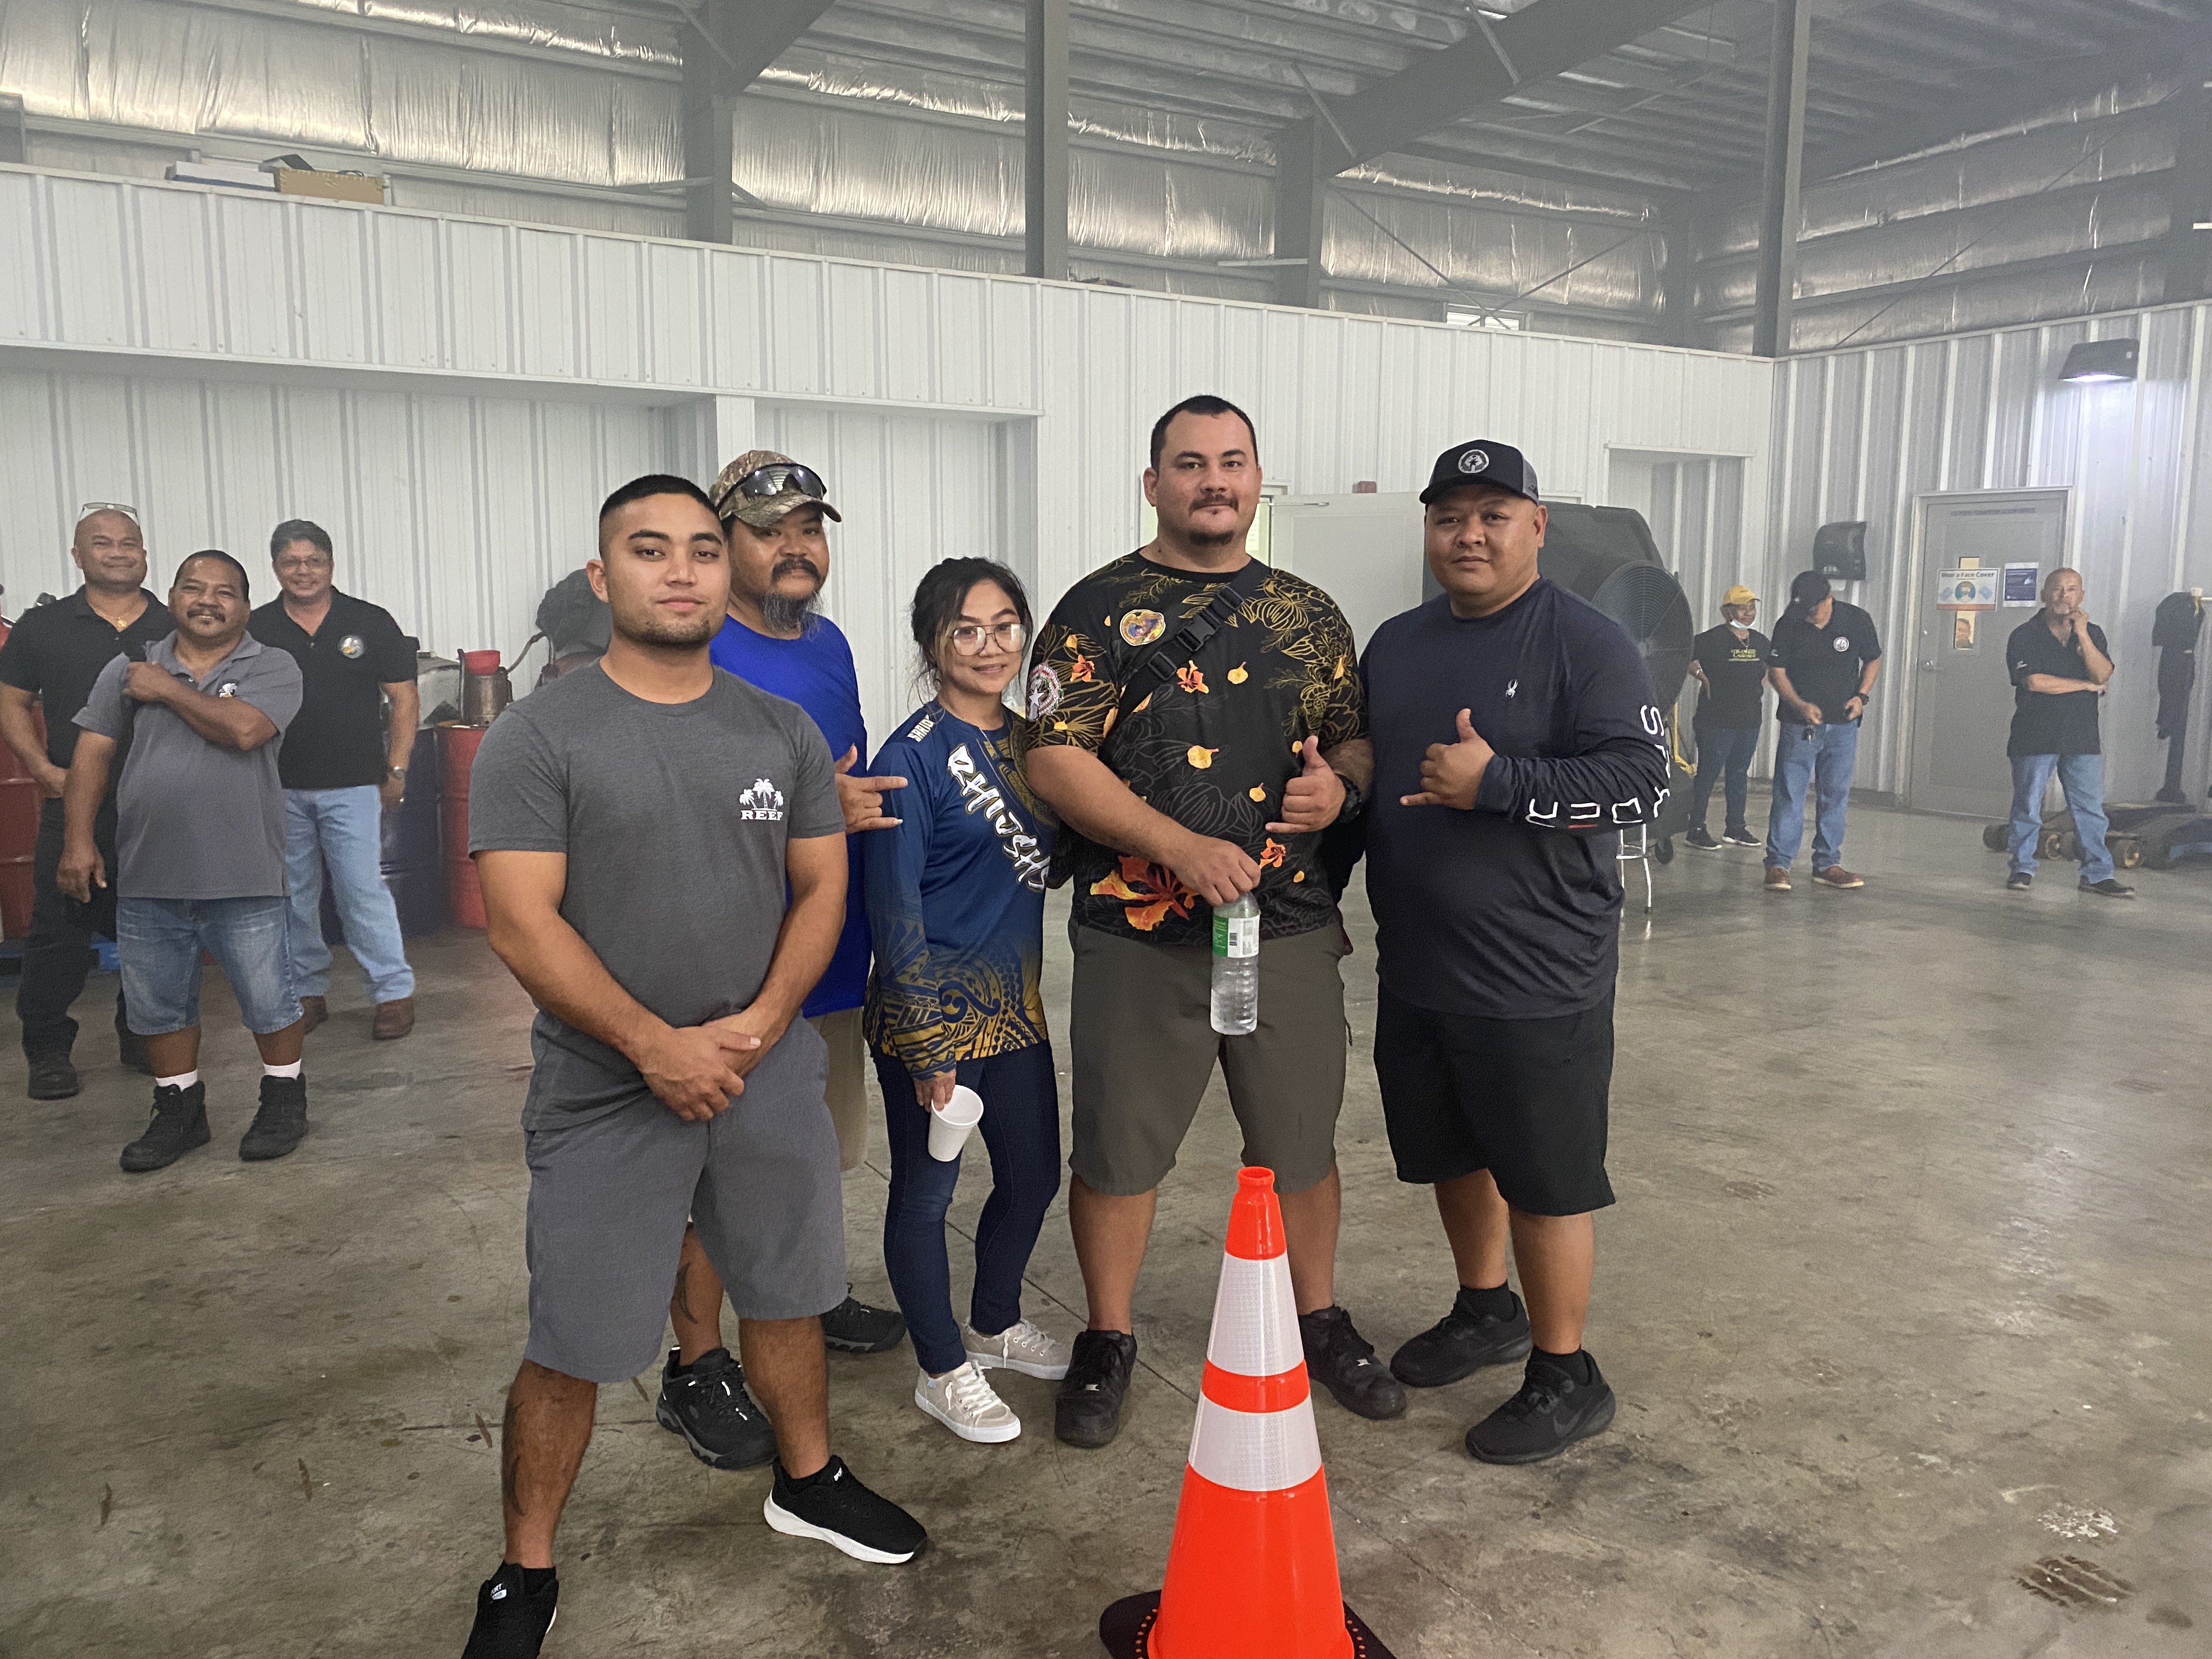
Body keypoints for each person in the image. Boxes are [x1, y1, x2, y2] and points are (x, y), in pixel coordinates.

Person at [461, 476, 924, 1659]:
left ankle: (807, 1478)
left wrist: (762, 1025)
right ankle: (525, 1566)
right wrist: (653, 1045)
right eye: (649, 548)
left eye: (703, 551)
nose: (680, 571)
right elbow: (521, 922)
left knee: (790, 1289)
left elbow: (820, 888)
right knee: (574, 1338)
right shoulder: (538, 736)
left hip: (762, 1067)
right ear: (601, 574)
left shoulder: (781, 731)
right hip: (605, 1085)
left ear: (729, 573)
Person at [1025, 393, 1400, 1449]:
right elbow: (1053, 757)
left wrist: (1341, 787)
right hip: (1138, 931)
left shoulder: (1309, 614)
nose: (1213, 480)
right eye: (1189, 463)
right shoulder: (1096, 609)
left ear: (1255, 479)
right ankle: (1107, 1332)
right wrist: (1176, 845)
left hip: (1285, 926)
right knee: (1117, 1148)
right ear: (1153, 483)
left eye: (1231, 461)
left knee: (1300, 1141)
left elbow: (1354, 738)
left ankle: (1316, 1315)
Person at [1363, 439, 1669, 1465]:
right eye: (1450, 516)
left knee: (1546, 1181)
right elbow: (1372, 775)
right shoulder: (1397, 644)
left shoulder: (1588, 641)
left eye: (1494, 515)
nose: (1470, 535)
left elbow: (1642, 780)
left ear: (1537, 526)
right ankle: (1485, 1307)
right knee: (1453, 1154)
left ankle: (1566, 1371)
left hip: (1540, 973)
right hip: (1419, 964)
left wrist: (1499, 783)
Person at [672, 448, 908, 1378]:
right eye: (770, 531)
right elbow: (671, 807)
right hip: (734, 968)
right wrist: (811, 809)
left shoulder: (828, 643)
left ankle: (807, 1293)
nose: (795, 547)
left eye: (809, 529)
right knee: (716, 1180)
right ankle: (696, 1363)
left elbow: (841, 775)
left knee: (812, 1153)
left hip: (831, 953)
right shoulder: (694, 650)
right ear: (724, 543)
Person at [864, 558, 1065, 1443]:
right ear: (931, 643)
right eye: (966, 629)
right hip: (932, 1016)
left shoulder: (1035, 744)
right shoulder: (909, 757)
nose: (991, 646)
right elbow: (892, 908)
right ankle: (943, 1367)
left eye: (1005, 625)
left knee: (1033, 1176)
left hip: (1015, 1009)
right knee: (924, 1197)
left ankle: (992, 1321)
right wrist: (925, 1041)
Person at [59, 551, 311, 1172]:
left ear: (245, 608)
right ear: (171, 598)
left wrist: (166, 688)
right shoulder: (127, 667)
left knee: (270, 999)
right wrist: (78, 840)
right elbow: (91, 755)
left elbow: (245, 730)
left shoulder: (271, 664)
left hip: (245, 871)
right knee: (159, 1007)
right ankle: (179, 1110)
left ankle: (284, 1100)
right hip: (148, 872)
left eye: (225, 592)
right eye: (194, 588)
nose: (208, 601)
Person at [0, 506, 172, 1099]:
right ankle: (48, 1050)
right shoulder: (41, 626)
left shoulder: (175, 624)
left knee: (153, 930)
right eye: (102, 543)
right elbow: (10, 700)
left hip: (157, 810)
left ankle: (140, 1034)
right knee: (58, 934)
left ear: (144, 553)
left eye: (129, 543)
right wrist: (42, 768)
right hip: (75, 808)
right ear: (78, 555)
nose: (118, 552)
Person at [250, 520, 422, 1040]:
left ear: (331, 564)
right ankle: (306, 991)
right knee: (293, 895)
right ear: (276, 567)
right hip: (279, 785)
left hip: (354, 785)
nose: (303, 571)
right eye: (291, 562)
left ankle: (392, 993)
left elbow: (404, 699)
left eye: (314, 561)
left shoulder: (368, 621)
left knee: (361, 891)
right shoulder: (257, 628)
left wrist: (397, 768)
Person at [2004, 568, 2132, 899]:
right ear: (2044, 595)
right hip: (2035, 736)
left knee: (2090, 811)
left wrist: (2083, 634)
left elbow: (2103, 673)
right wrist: (2086, 686)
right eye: (2057, 589)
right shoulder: (2024, 635)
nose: (2064, 596)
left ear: (2082, 596)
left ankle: (2097, 875)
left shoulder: (2093, 633)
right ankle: (2022, 868)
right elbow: (2035, 682)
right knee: (2028, 807)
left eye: (2072, 589)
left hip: (2081, 736)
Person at [1764, 571, 1881, 891]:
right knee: (1790, 793)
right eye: (1803, 611)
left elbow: (1873, 659)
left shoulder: (1856, 620)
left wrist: (1862, 696)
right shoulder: (1789, 624)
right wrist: (1799, 704)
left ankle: (1828, 863)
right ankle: (1778, 864)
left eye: (1814, 610)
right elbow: (1776, 672)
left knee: (1835, 794)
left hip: (1843, 725)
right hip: (1799, 725)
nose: (1809, 617)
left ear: (1829, 599)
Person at [1683, 584, 1770, 851]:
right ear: (1727, 611)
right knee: (1708, 774)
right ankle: (1696, 828)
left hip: (1749, 720)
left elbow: (1771, 667)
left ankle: (1736, 828)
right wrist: (1702, 677)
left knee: (1739, 773)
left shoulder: (1760, 642)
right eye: (1743, 608)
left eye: (1752, 608)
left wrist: (1760, 685)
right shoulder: (1710, 639)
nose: (1748, 613)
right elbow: (1684, 657)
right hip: (1716, 721)